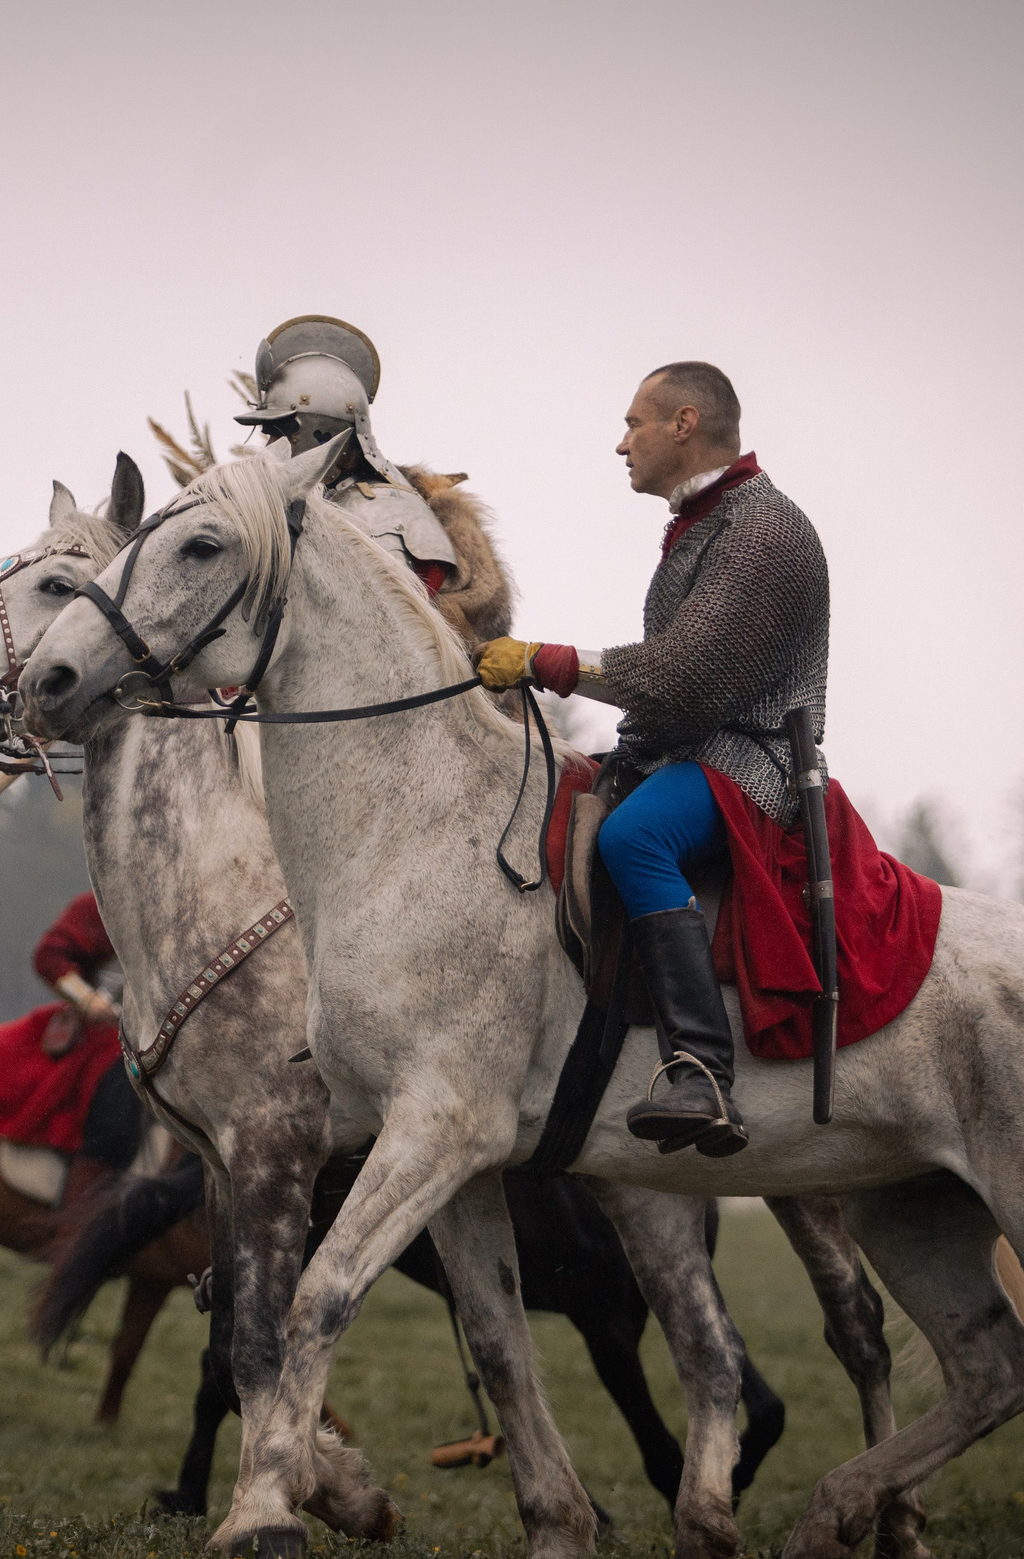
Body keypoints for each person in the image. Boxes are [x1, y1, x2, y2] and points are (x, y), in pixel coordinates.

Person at [474, 363, 829, 1157]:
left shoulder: (763, 530)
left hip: (748, 760)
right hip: (684, 750)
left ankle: (702, 1069)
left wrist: (545, 661)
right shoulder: (706, 522)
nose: (621, 443)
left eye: (633, 423)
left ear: (684, 423)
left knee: (634, 837)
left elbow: (683, 678)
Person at [233, 315, 462, 587]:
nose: (270, 445)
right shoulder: (329, 501)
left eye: (279, 432)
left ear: (322, 431)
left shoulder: (380, 514)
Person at [34, 891, 146, 1182]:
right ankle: (85, 1201)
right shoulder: (107, 902)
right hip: (106, 1035)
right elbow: (48, 957)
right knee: (119, 1106)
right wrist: (87, 1000)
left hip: (170, 1034)